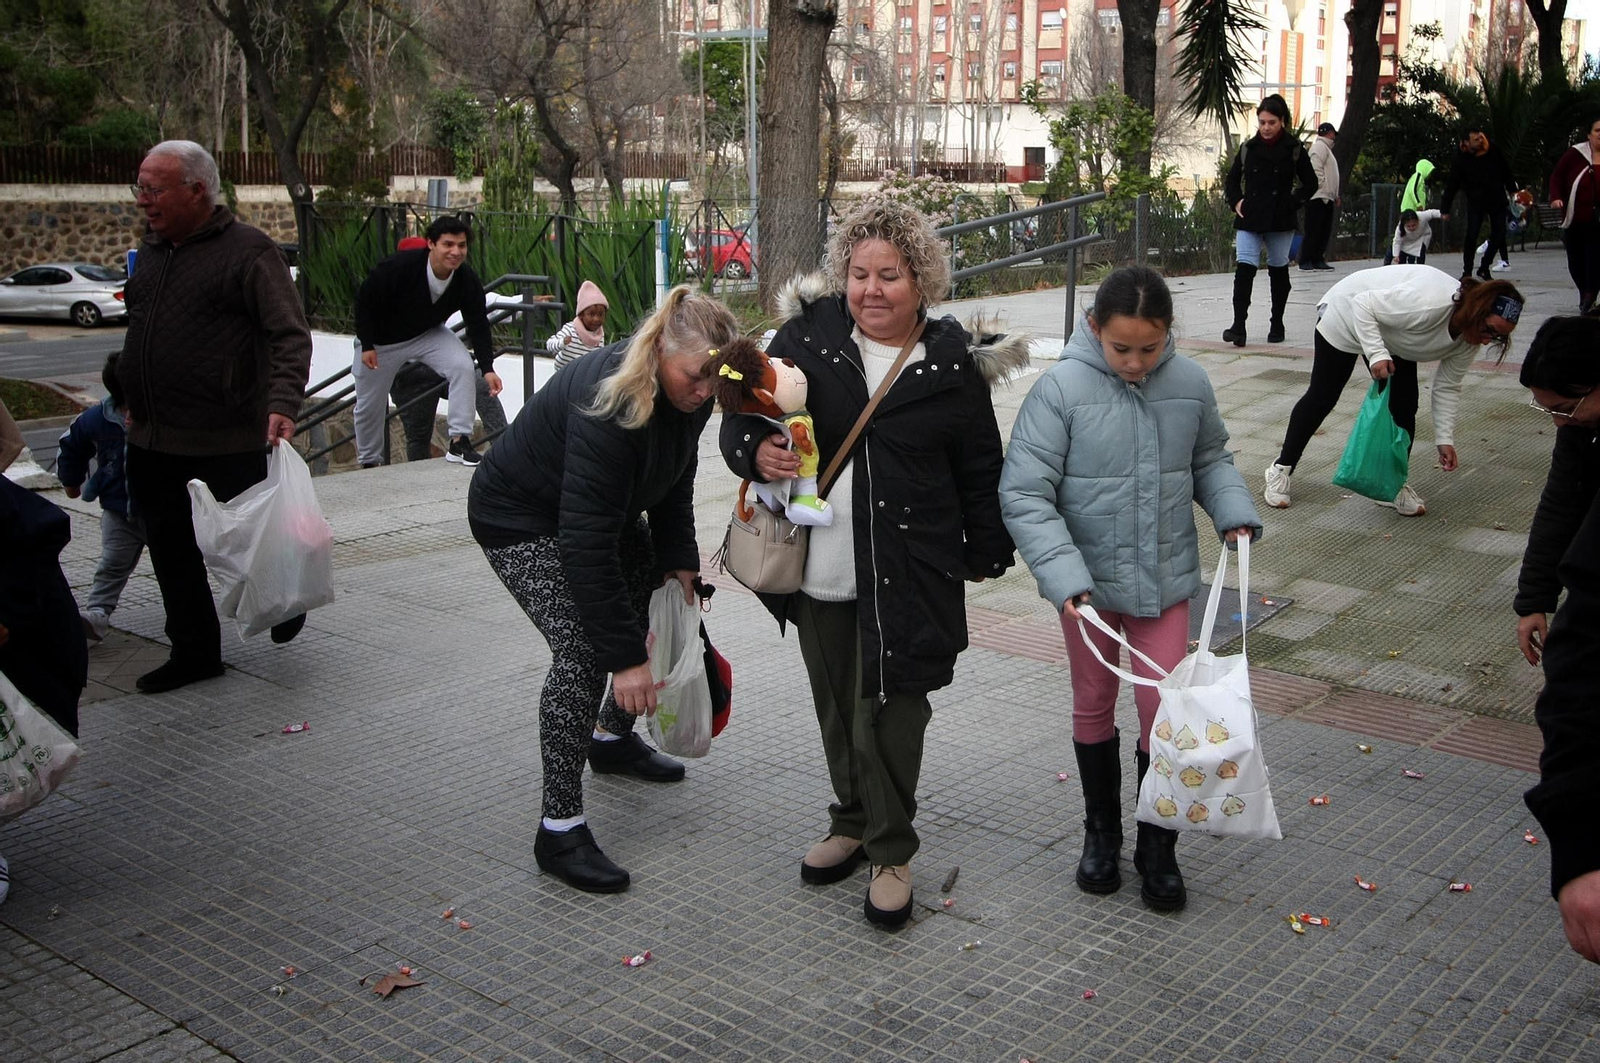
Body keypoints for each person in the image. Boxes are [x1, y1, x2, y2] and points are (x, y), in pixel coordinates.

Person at [719, 197, 1025, 928]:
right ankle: (852, 820)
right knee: (837, 704)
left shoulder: (949, 362)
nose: (872, 290)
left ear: (921, 279)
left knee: (891, 710)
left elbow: (980, 466)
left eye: (890, 275)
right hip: (821, 567)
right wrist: (754, 451)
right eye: (859, 274)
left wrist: (988, 548)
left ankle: (891, 850)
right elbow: (742, 412)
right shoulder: (809, 337)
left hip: (911, 572)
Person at [1000, 266, 1262, 912]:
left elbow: (1211, 458)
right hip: (1086, 591)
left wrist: (1232, 510)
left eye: (1150, 347)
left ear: (1168, 333)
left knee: (1162, 712)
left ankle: (1157, 842)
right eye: (1122, 347)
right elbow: (1025, 493)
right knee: (1093, 700)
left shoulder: (1190, 382)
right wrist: (1063, 577)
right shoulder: (1060, 389)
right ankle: (1101, 832)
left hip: (1165, 582)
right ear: (1095, 328)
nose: (1136, 362)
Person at [467, 285, 738, 894]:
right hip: (518, 516)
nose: (706, 392)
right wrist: (625, 660)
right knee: (587, 651)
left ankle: (610, 741)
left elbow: (675, 478)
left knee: (656, 603)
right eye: (696, 376)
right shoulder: (609, 401)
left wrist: (677, 562)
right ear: (660, 349)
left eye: (716, 378)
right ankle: (559, 828)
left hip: (595, 512)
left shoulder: (691, 392)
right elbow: (585, 543)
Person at [115, 140, 312, 694]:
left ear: (196, 190)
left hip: (227, 436)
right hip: (152, 436)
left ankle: (284, 599)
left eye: (154, 189)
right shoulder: (152, 251)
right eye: (140, 188)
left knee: (251, 542)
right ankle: (195, 652)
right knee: (171, 551)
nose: (142, 200)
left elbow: (289, 333)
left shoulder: (250, 251)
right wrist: (129, 393)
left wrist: (282, 402)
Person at [1263, 267, 1525, 517]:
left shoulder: (1469, 340)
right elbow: (1363, 304)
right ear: (1476, 310)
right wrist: (1377, 354)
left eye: (1498, 337)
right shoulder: (1429, 303)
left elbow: (1447, 386)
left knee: (1405, 403)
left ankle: (1391, 484)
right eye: (1489, 330)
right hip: (1347, 310)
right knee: (1323, 395)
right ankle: (1281, 468)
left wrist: (1444, 438)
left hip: (1394, 333)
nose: (1487, 340)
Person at [352, 216, 502, 469]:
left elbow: (478, 323)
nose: (455, 252)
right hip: (381, 342)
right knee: (369, 403)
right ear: (431, 244)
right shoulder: (401, 266)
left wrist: (487, 368)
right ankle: (369, 461)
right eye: (448, 244)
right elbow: (365, 299)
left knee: (462, 365)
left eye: (461, 245)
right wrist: (367, 344)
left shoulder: (465, 279)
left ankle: (460, 442)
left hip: (427, 334)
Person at [1513, 316, 1600, 667]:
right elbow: (1561, 502)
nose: (1559, 422)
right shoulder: (1580, 428)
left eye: (1565, 409)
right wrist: (1534, 600)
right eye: (1548, 410)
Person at [55, 353, 145, 642]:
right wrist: (71, 482)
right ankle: (96, 614)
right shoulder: (98, 419)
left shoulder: (160, 414)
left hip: (160, 509)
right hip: (118, 510)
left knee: (178, 566)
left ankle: (186, 614)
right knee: (112, 563)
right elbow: (71, 446)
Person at [1222, 94, 1319, 346]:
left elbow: (1311, 183)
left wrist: (1292, 203)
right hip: (1250, 216)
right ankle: (1238, 326)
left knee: (1278, 270)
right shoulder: (1248, 148)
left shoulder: (1294, 149)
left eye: (1272, 122)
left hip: (1280, 218)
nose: (1266, 127)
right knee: (1244, 269)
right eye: (1262, 122)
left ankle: (1277, 323)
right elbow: (1232, 180)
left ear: (1282, 121)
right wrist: (1236, 201)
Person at [1442, 127, 1518, 281]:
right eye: (1475, 139)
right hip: (1475, 201)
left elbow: (1505, 170)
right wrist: (1445, 208)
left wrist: (1513, 191)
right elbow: (1452, 183)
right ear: (1466, 143)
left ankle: (1484, 267)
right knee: (1472, 235)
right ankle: (1467, 271)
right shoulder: (1460, 157)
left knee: (1499, 234)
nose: (1480, 141)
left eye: (1480, 137)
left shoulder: (1492, 148)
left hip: (1496, 198)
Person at [1548, 115, 1600, 313]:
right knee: (1576, 262)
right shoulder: (1575, 154)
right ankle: (1585, 293)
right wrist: (1556, 197)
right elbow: (1557, 176)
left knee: (1594, 259)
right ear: (1589, 134)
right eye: (1598, 131)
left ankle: (1589, 296)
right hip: (1576, 218)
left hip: (1598, 221)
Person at [1300, 122, 1340, 272]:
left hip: (1327, 196)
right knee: (1314, 230)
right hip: (1318, 196)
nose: (1334, 137)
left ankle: (1317, 258)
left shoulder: (1326, 149)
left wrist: (1334, 194)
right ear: (1329, 133)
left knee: (1323, 231)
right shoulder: (1319, 147)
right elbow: (1316, 168)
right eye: (1333, 133)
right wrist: (1322, 187)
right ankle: (1305, 259)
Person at [547, 280, 610, 370]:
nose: (596, 319)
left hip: (583, 373)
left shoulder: (599, 334)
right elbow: (550, 345)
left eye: (601, 314)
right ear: (581, 315)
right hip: (564, 373)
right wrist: (562, 342)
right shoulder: (570, 329)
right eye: (591, 314)